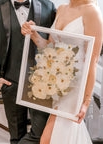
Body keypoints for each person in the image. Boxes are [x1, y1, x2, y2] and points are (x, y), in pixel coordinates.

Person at [21, 0, 103, 143]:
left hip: (76, 88)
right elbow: (50, 47)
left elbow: (93, 61)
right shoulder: (61, 9)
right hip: (59, 86)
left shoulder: (92, 12)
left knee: (47, 140)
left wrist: (86, 101)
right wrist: (33, 34)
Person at [0, 0, 56, 144]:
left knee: (39, 136)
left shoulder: (48, 6)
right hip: (9, 82)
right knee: (16, 137)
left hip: (42, 85)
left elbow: (55, 43)